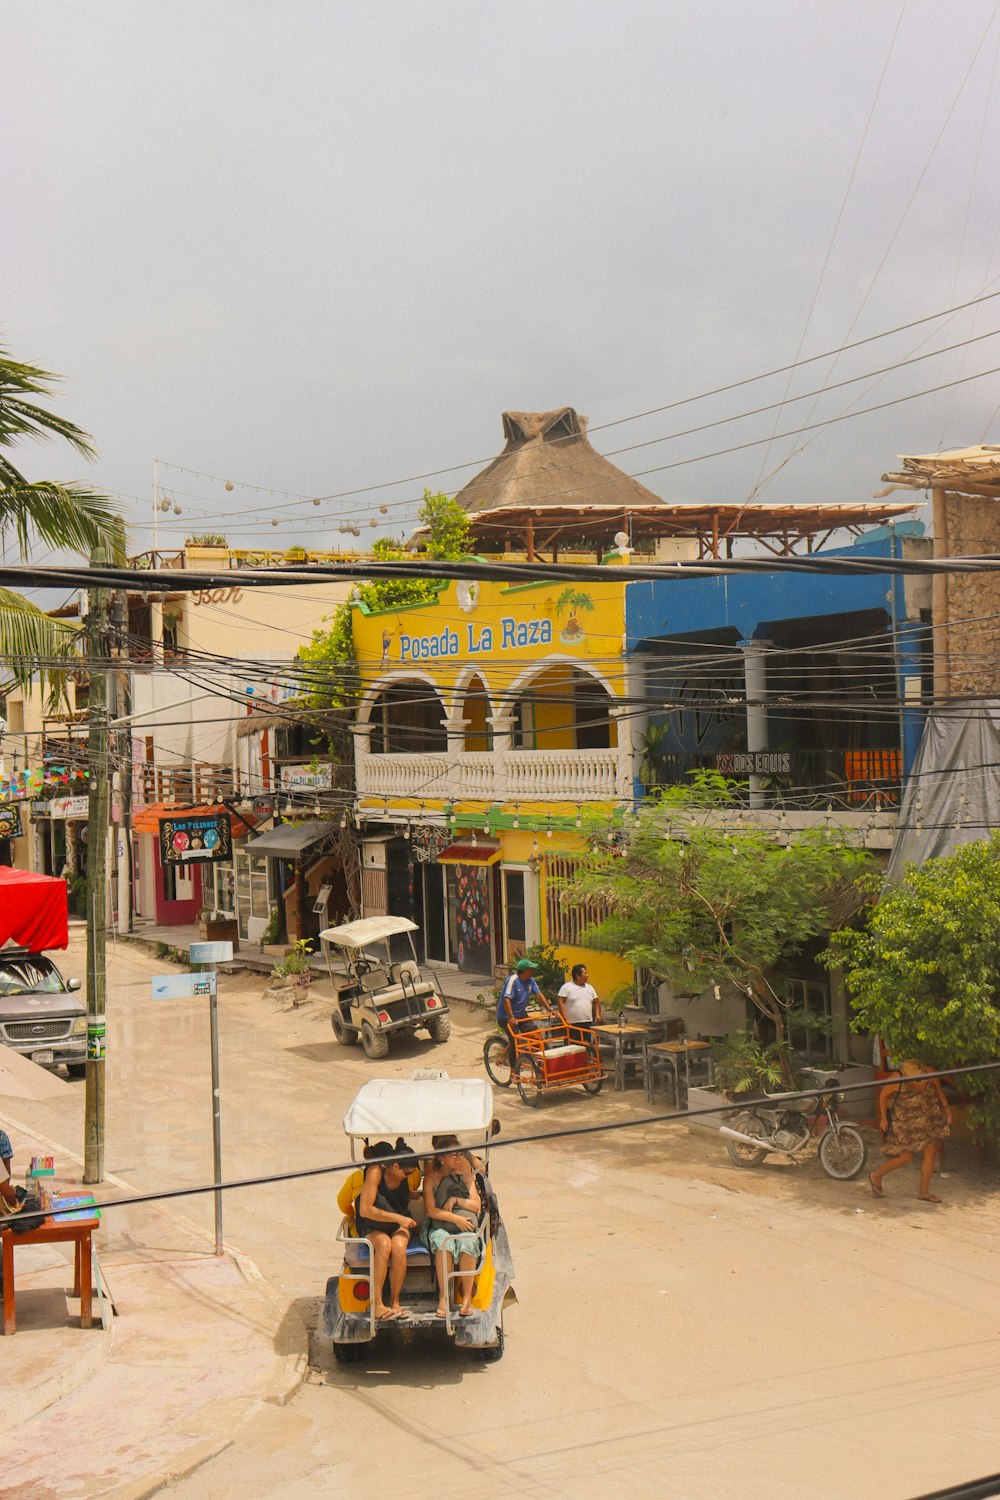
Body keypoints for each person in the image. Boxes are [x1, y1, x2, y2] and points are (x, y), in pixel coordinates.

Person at [870, 1059, 952, 1204]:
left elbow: (939, 1094)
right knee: (906, 1157)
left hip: (929, 1119)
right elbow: (883, 1096)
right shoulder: (898, 1077)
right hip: (906, 1122)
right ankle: (876, 1175)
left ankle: (923, 1192)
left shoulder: (929, 1073)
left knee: (930, 1151)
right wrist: (884, 1118)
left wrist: (948, 1111)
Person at [354, 1140, 420, 1320]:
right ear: (395, 1166)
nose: (409, 1176)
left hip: (398, 1219)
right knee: (384, 1244)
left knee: (398, 1246)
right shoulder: (376, 1171)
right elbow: (365, 1209)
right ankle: (377, 1304)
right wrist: (399, 1218)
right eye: (407, 1173)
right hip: (375, 1222)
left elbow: (401, 1196)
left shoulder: (405, 1176)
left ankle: (395, 1301)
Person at [422, 1135, 481, 1318]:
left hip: (463, 1220)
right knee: (443, 1241)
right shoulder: (431, 1178)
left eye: (460, 1153)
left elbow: (476, 1205)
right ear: (442, 1158)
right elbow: (431, 1211)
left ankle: (466, 1298)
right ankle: (443, 1296)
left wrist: (455, 1200)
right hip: (441, 1222)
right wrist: (455, 1219)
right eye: (454, 1154)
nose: (458, 1157)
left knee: (468, 1242)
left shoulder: (465, 1172)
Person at [496, 958, 554, 1050]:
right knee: (516, 1040)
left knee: (536, 1037)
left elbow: (539, 995)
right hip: (506, 1016)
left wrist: (550, 1009)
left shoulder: (530, 980)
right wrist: (511, 1017)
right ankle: (514, 1064)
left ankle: (541, 1059)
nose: (533, 971)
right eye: (531, 969)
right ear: (525, 971)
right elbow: (506, 999)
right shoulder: (513, 980)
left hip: (521, 1015)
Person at [557, 963, 603, 1027]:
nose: (587, 975)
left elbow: (596, 1002)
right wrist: (566, 1019)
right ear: (578, 976)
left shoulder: (590, 988)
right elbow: (560, 1003)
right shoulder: (566, 987)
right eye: (585, 973)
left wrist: (598, 1014)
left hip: (587, 1022)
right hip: (572, 1024)